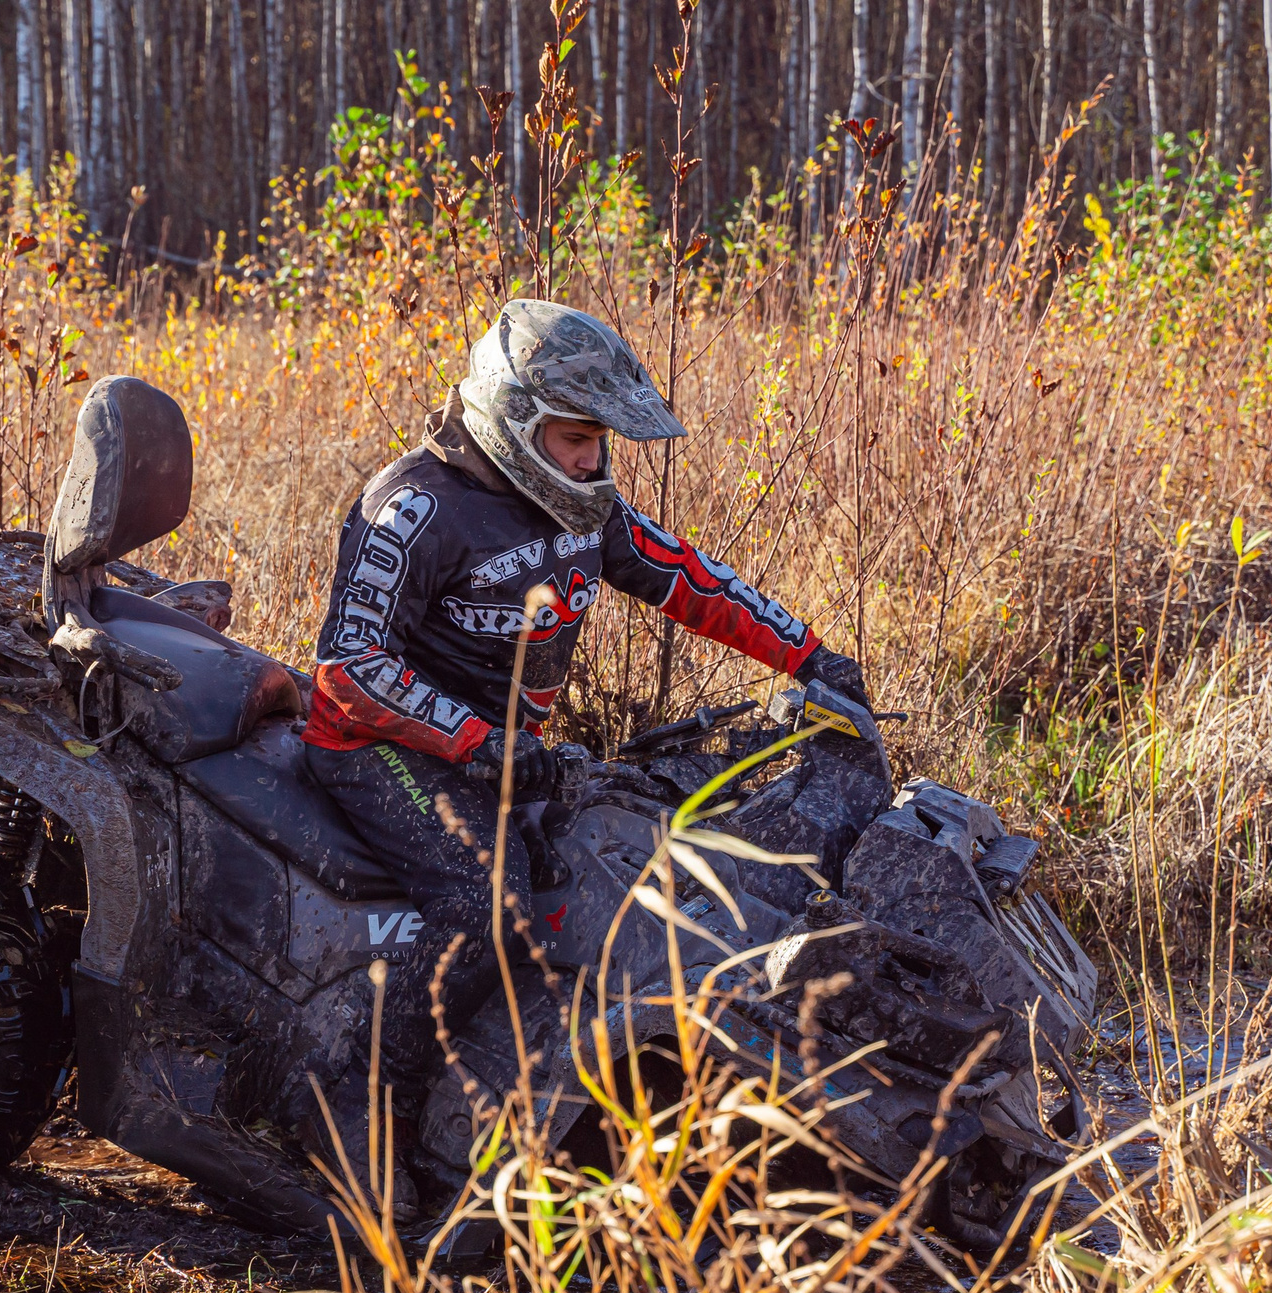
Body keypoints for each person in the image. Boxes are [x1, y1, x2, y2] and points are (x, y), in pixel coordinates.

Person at [299, 298, 868, 1186]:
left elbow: (684, 577)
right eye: (575, 437)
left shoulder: (580, 505)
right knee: (488, 906)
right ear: (516, 418)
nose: (592, 459)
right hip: (378, 750)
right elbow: (347, 668)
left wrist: (808, 654)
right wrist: (483, 742)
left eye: (600, 439)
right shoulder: (411, 509)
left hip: (503, 751)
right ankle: (360, 1102)